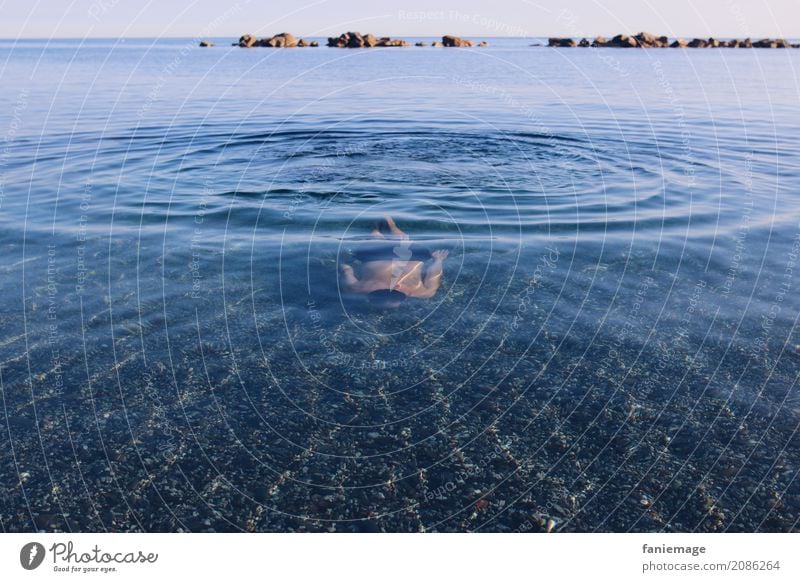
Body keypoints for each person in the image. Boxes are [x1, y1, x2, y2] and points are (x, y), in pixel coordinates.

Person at [339, 215, 449, 308]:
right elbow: (346, 269)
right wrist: (343, 260)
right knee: (377, 237)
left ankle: (384, 224)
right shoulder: (357, 290)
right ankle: (381, 226)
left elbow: (433, 274)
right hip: (375, 256)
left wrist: (437, 260)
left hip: (411, 257)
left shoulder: (422, 292)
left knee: (403, 238)